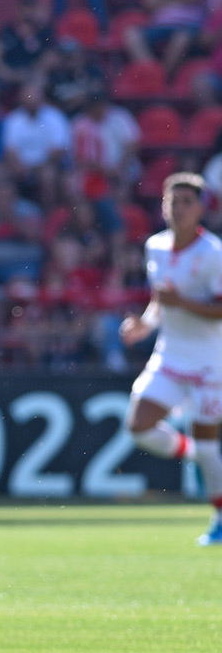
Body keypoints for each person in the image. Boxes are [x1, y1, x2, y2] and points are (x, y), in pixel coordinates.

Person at [120, 172, 222, 546]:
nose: (178, 209)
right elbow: (159, 302)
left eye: (186, 202)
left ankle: (220, 519)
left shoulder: (213, 254)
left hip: (210, 364)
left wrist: (183, 304)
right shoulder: (155, 247)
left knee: (211, 448)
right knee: (139, 427)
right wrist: (144, 326)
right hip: (170, 356)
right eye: (171, 201)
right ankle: (190, 451)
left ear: (201, 209)